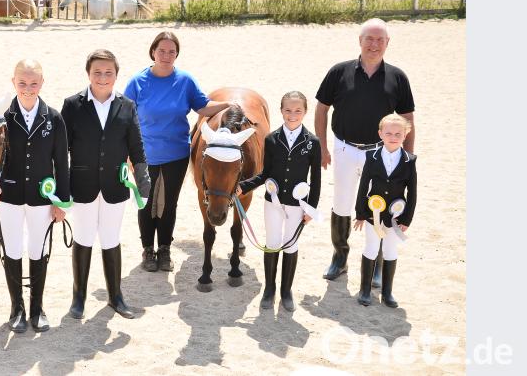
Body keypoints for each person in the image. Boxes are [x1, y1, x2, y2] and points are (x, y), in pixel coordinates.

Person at [315, 18, 416, 285]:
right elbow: (322, 108)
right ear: (359, 41)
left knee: (381, 206)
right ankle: (340, 256)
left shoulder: (397, 77)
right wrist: (322, 146)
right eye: (369, 39)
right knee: (342, 204)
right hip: (345, 148)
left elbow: (408, 120)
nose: (374, 44)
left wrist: (407, 159)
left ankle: (379, 263)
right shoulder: (339, 71)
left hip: (382, 154)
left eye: (380, 40)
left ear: (387, 43)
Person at [124, 31, 234, 272]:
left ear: (177, 55)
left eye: (171, 52)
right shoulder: (137, 82)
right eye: (161, 50)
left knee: (168, 204)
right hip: (144, 154)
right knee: (147, 202)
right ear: (153, 51)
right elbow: (124, 118)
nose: (166, 55)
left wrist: (227, 104)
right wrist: (126, 153)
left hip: (176, 153)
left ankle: (164, 249)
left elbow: (202, 106)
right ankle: (148, 250)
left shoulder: (185, 81)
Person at [61, 49, 151, 320]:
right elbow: (61, 149)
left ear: (116, 75)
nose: (102, 77)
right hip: (82, 185)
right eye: (97, 72)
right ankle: (79, 297)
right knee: (84, 237)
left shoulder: (127, 105)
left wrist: (143, 180)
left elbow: (136, 148)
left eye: (108, 72)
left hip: (115, 186)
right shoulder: (72, 105)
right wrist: (61, 187)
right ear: (88, 73)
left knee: (111, 239)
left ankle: (116, 296)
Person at [0, 59, 69, 333]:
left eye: (33, 83)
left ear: (42, 83)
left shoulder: (54, 118)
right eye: (22, 83)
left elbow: (61, 162)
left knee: (39, 251)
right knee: (11, 250)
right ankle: (17, 308)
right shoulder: (1, 117)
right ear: (13, 82)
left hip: (41, 197)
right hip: (9, 195)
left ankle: (37, 308)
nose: (27, 89)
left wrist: (61, 201)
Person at [236, 91, 321, 312]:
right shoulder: (271, 139)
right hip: (273, 202)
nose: (292, 115)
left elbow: (317, 179)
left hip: (297, 204)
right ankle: (269, 289)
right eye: (288, 110)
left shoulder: (312, 142)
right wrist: (243, 186)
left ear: (305, 112)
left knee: (291, 244)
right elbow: (265, 174)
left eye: (298, 111)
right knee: (272, 243)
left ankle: (286, 291)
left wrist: (311, 207)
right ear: (281, 111)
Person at [354, 114, 417, 307]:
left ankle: (387, 292)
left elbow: (412, 192)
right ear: (380, 134)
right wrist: (361, 213)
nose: (393, 136)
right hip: (374, 214)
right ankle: (365, 290)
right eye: (388, 133)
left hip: (396, 216)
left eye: (398, 133)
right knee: (371, 248)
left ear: (405, 135)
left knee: (390, 250)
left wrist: (407, 219)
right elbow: (364, 185)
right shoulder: (371, 157)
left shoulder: (409, 160)